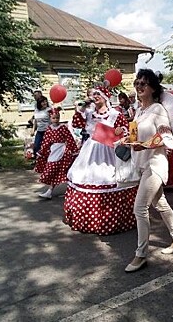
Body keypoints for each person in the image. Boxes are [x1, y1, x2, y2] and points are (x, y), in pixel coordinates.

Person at [124, 69, 173, 273]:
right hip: (142, 164)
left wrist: (145, 145)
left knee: (139, 208)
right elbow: (136, 137)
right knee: (160, 203)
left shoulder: (158, 109)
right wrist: (125, 138)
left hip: (155, 164)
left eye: (144, 83)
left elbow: (166, 137)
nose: (139, 86)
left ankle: (141, 255)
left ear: (153, 88)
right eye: (137, 82)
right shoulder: (139, 111)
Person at [63, 82, 137, 236]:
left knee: (109, 178)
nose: (94, 97)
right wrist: (80, 110)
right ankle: (87, 220)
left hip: (108, 150)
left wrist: (120, 131)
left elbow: (125, 131)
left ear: (105, 97)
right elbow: (77, 125)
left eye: (98, 94)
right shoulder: (88, 114)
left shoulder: (115, 114)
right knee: (85, 177)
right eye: (93, 95)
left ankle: (113, 219)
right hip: (90, 151)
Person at [34, 107, 79, 199]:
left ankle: (53, 191)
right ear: (50, 118)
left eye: (57, 118)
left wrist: (73, 150)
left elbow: (69, 139)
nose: (55, 120)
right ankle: (50, 191)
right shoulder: (49, 129)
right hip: (53, 150)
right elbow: (46, 141)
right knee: (53, 170)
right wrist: (42, 152)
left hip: (63, 150)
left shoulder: (62, 128)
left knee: (62, 170)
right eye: (53, 118)